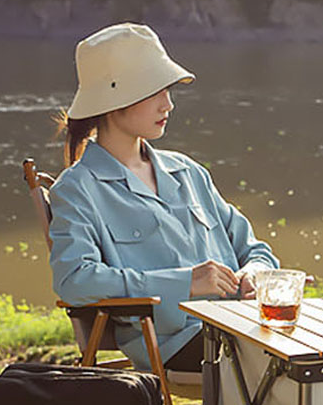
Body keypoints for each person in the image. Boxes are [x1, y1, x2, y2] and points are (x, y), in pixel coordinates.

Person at [48, 22, 278, 372]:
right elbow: (75, 280)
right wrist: (185, 282)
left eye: (167, 91)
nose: (167, 104)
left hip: (240, 324)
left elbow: (256, 250)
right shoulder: (78, 189)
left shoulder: (188, 172)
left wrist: (253, 274)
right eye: (154, 91)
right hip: (179, 344)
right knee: (296, 363)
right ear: (113, 100)